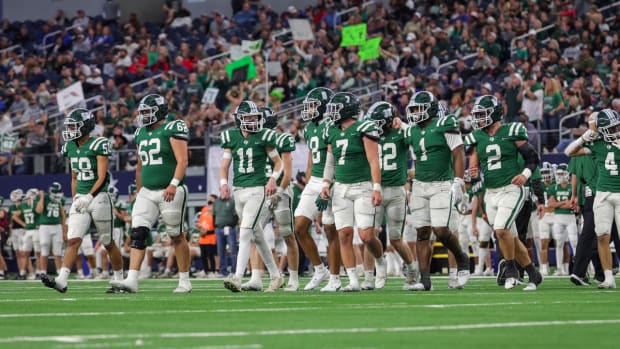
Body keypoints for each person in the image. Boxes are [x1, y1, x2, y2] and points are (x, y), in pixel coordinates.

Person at [111, 94, 192, 293]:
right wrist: (140, 192)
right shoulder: (141, 133)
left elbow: (182, 160)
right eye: (143, 112)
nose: (144, 116)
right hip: (147, 191)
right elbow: (139, 166)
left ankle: (184, 280)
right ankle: (131, 279)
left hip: (170, 190)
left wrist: (173, 184)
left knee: (176, 236)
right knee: (138, 232)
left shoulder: (173, 128)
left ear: (160, 112)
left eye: (148, 112)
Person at [465, 94, 543, 291]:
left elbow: (532, 158)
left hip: (511, 189)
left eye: (483, 114)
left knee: (501, 230)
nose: (479, 119)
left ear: (495, 114)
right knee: (511, 237)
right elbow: (473, 168)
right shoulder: (477, 136)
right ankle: (533, 274)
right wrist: (472, 173)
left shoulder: (512, 130)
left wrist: (525, 175)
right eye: (477, 115)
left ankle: (511, 272)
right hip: (490, 192)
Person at [42, 108, 124, 293]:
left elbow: (102, 176)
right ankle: (62, 279)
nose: (70, 129)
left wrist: (89, 196)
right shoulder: (70, 147)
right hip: (81, 197)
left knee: (108, 242)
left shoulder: (99, 144)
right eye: (69, 126)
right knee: (73, 240)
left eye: (73, 125)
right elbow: (74, 177)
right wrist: (76, 198)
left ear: (85, 126)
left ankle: (119, 279)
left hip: (100, 197)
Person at [320, 92, 386, 292]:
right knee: (344, 234)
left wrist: (376, 187)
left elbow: (374, 160)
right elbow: (330, 162)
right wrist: (325, 183)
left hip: (363, 186)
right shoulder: (331, 130)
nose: (331, 113)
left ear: (346, 110)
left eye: (335, 108)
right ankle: (353, 280)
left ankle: (380, 262)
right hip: (341, 187)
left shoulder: (364, 127)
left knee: (366, 235)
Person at [404, 91, 470, 291]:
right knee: (422, 232)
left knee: (441, 230)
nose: (415, 113)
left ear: (430, 109)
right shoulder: (412, 131)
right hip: (420, 185)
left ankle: (461, 258)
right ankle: (424, 281)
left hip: (441, 184)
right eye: (413, 109)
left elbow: (459, 153)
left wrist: (458, 181)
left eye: (419, 108)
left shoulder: (445, 124)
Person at [219, 100, 284, 293]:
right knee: (257, 234)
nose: (253, 121)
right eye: (248, 118)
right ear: (239, 119)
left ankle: (237, 277)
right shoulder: (230, 136)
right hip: (239, 190)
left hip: (258, 190)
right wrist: (223, 184)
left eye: (255, 117)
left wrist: (272, 179)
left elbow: (278, 163)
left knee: (245, 231)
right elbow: (224, 166)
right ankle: (276, 275)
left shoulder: (264, 136)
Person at [243, 107, 300, 291]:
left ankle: (293, 278)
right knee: (253, 232)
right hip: (262, 192)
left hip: (281, 192)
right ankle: (256, 278)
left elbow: (287, 171)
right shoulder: (254, 139)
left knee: (287, 234)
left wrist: (279, 191)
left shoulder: (282, 139)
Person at [365, 101, 419, 289]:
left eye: (378, 121)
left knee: (396, 238)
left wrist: (403, 124)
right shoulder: (369, 135)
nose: (375, 125)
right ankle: (369, 276)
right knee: (368, 234)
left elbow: (417, 136)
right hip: (375, 189)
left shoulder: (401, 133)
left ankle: (412, 270)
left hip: (396, 190)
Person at [564, 108, 620, 289]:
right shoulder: (596, 144)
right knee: (602, 236)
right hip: (602, 194)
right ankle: (608, 277)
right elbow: (569, 151)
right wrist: (584, 137)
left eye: (617, 127)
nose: (616, 131)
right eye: (612, 128)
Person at [294, 87, 340, 292]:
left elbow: (336, 158)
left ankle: (335, 276)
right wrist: (308, 178)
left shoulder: (332, 126)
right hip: (314, 181)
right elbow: (312, 156)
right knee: (300, 227)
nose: (310, 110)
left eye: (313, 105)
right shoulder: (309, 128)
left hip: (332, 180)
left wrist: (328, 184)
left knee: (331, 230)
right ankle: (319, 269)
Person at [566, 113, 604, 285]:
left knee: (592, 234)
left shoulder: (584, 145)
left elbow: (573, 170)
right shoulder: (602, 144)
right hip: (602, 191)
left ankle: (596, 272)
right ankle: (592, 272)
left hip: (590, 193)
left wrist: (574, 195)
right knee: (595, 234)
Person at [548, 163, 577, 276]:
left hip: (570, 217)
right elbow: (551, 204)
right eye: (558, 174)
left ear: (566, 174)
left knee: (574, 243)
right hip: (558, 218)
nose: (559, 176)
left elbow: (572, 204)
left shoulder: (572, 186)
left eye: (561, 174)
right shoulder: (554, 187)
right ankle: (560, 269)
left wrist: (559, 204)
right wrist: (564, 202)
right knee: (559, 243)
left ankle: (578, 268)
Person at [35, 182, 66, 275]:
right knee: (44, 249)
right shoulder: (44, 197)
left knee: (58, 250)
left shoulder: (61, 199)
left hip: (57, 226)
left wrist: (64, 230)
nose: (56, 194)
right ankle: (43, 272)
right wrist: (41, 197)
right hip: (45, 226)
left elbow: (63, 215)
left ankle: (59, 272)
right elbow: (39, 210)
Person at [13, 188, 41, 279]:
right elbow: (15, 216)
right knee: (25, 253)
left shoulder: (37, 204)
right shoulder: (24, 205)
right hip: (28, 231)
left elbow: (40, 212)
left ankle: (39, 272)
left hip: (36, 230)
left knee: (38, 253)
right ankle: (22, 273)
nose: (28, 197)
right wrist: (24, 224)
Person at [8, 189, 31, 279]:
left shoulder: (24, 206)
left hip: (22, 230)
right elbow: (11, 222)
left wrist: (25, 225)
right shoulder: (11, 208)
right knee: (17, 253)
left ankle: (28, 271)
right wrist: (10, 234)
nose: (18, 201)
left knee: (24, 253)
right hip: (14, 231)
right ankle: (21, 272)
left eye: (19, 200)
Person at [538, 162, 556, 276]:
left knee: (560, 242)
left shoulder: (556, 185)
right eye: (543, 172)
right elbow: (536, 201)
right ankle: (544, 267)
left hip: (555, 215)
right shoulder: (539, 185)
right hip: (544, 216)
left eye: (547, 172)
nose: (545, 175)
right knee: (543, 243)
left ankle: (562, 267)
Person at [213, 193, 237, 277]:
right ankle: (223, 271)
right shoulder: (216, 202)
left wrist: (232, 225)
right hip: (219, 229)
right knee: (220, 251)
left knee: (233, 250)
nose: (224, 193)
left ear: (228, 192)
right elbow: (214, 215)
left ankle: (235, 271)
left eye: (226, 191)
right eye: (222, 191)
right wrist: (215, 227)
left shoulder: (232, 201)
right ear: (219, 191)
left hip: (230, 228)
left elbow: (235, 215)